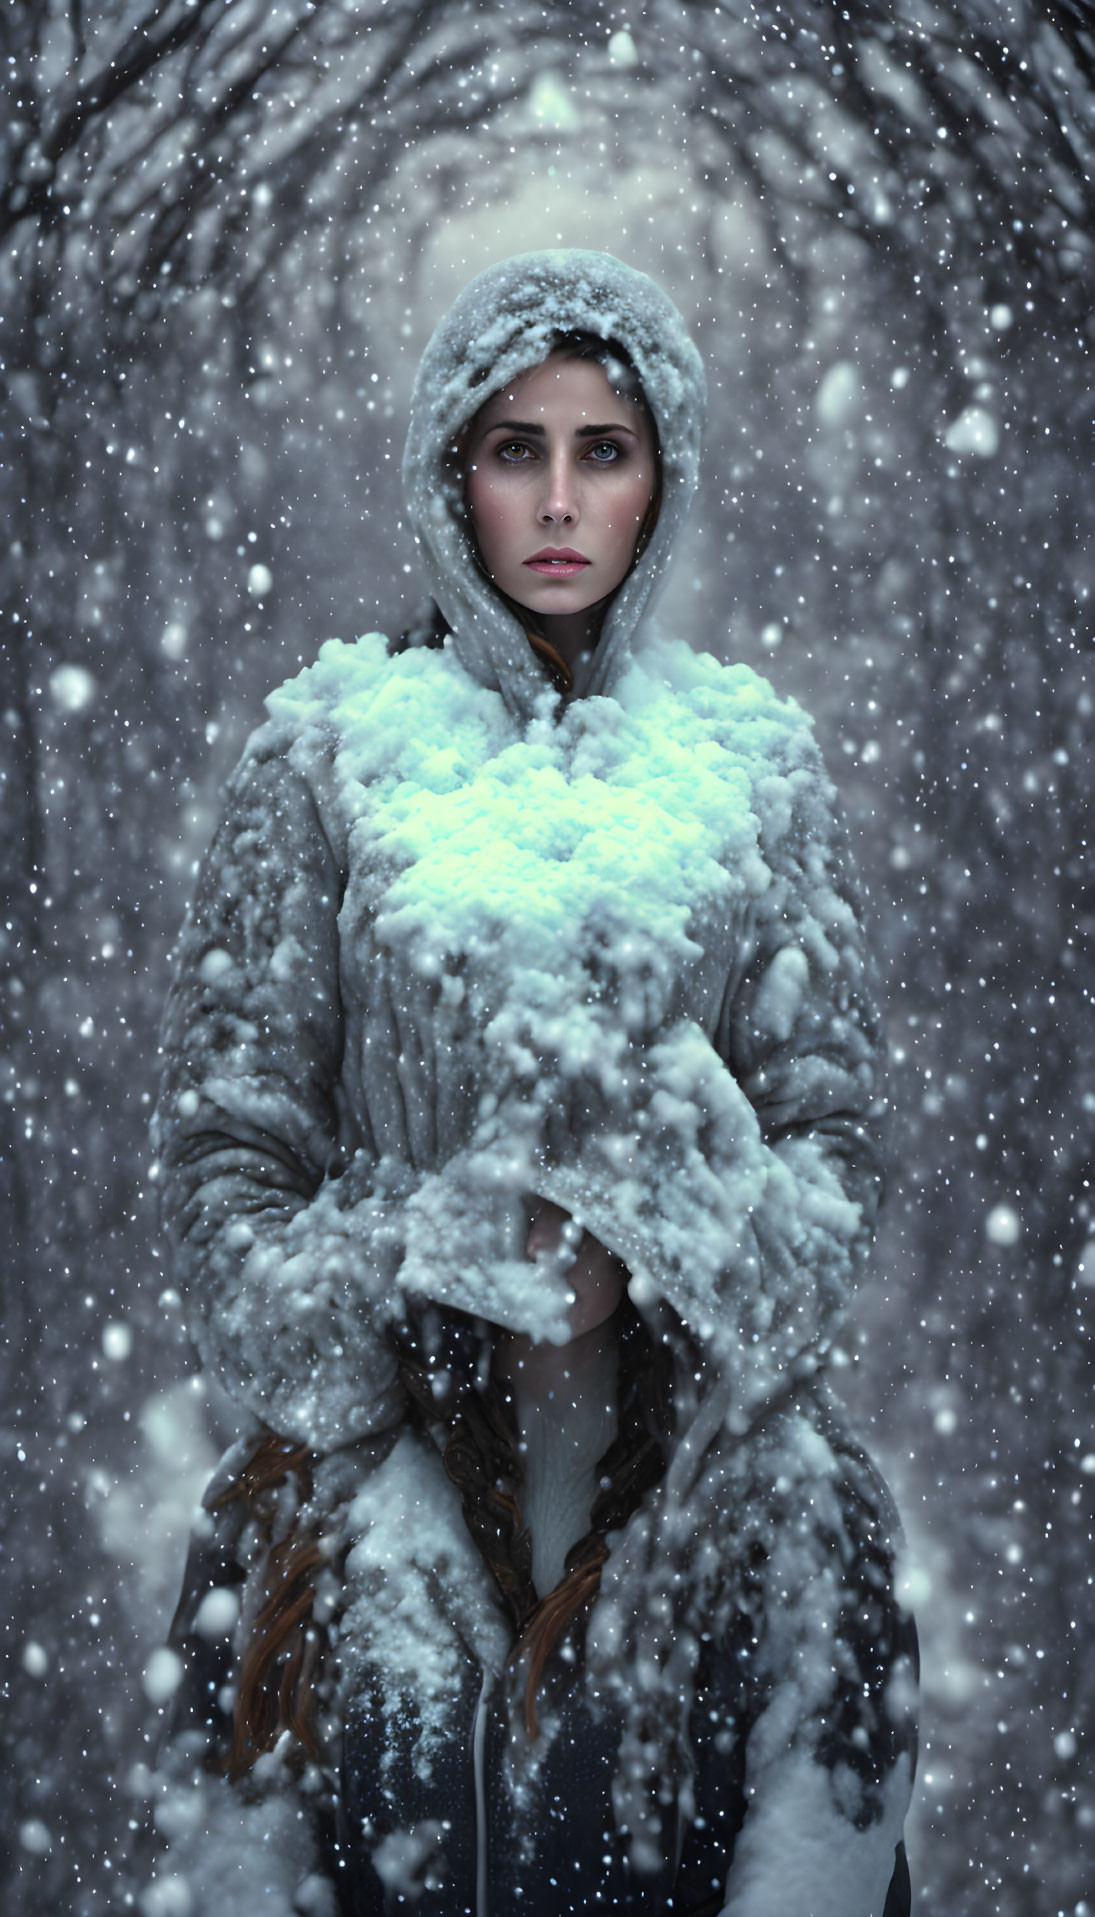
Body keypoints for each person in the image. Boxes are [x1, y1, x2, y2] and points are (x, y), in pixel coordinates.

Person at [146, 250, 917, 1917]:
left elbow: (836, 1152)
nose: (560, 497)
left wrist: (677, 1224)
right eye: (516, 448)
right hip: (380, 1464)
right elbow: (223, 1169)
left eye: (605, 449)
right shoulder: (331, 754)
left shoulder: (751, 771)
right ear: (451, 472)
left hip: (694, 1466)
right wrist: (429, 1248)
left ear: (663, 481)